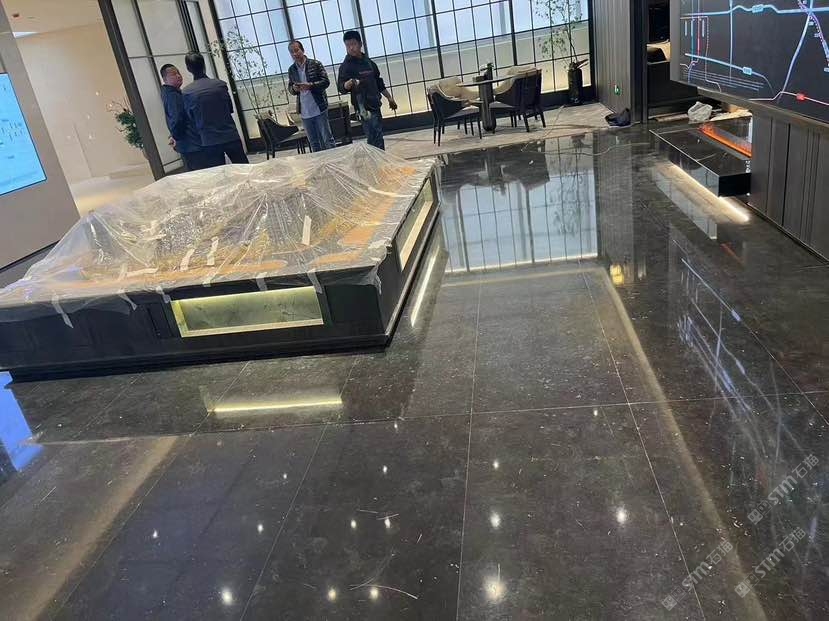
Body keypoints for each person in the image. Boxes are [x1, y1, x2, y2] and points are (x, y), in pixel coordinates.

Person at [181, 51, 248, 167]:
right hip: (230, 134)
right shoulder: (220, 85)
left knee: (218, 173)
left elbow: (191, 118)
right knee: (244, 169)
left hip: (209, 139)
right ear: (204, 65)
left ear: (188, 68)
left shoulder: (187, 92)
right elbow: (230, 108)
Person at [337, 30, 397, 150]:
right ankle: (377, 159)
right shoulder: (346, 66)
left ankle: (379, 158)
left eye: (353, 44)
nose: (351, 48)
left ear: (360, 44)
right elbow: (341, 87)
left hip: (375, 103)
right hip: (362, 107)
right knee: (373, 135)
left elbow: (379, 83)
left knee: (378, 135)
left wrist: (390, 98)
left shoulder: (369, 63)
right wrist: (347, 84)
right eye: (348, 45)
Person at [287, 40, 336, 152]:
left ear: (302, 50)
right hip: (305, 111)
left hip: (319, 108)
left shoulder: (316, 64)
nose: (295, 54)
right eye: (292, 52)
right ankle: (319, 162)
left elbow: (326, 82)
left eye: (296, 50)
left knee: (327, 139)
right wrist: (294, 88)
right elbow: (290, 88)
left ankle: (334, 160)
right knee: (313, 143)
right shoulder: (292, 69)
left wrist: (311, 86)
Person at [159, 63, 206, 170]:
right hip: (190, 144)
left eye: (178, 73)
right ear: (165, 79)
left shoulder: (173, 93)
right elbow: (177, 119)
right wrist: (175, 136)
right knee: (201, 173)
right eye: (173, 74)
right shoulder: (172, 95)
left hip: (190, 143)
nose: (178, 76)